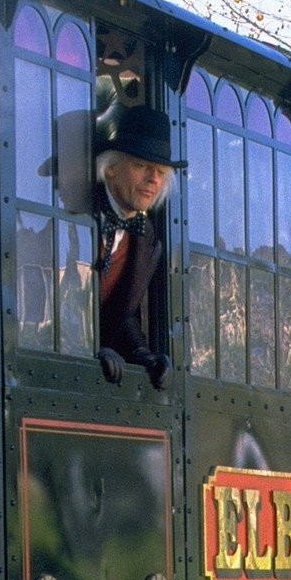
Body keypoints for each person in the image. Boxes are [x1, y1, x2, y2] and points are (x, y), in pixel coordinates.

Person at [93, 104, 185, 388]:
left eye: (160, 171)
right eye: (141, 166)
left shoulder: (144, 234)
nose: (153, 179)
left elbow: (122, 313)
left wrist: (141, 354)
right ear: (110, 169)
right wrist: (88, 348)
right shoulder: (77, 215)